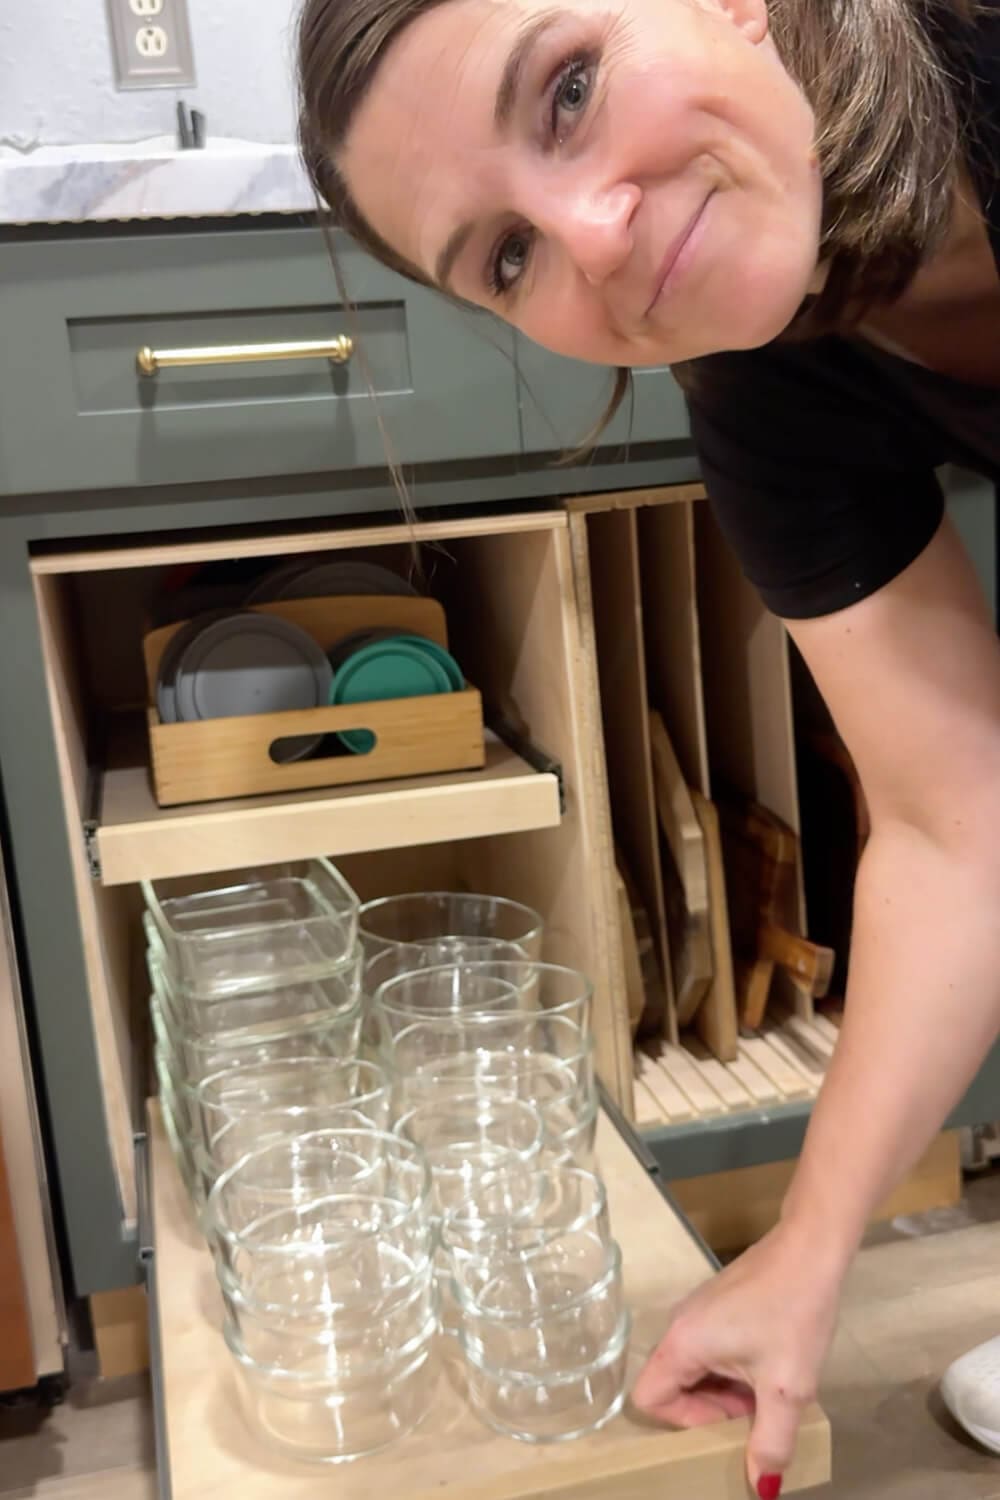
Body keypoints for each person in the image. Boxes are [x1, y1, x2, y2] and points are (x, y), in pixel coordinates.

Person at [295, 0, 1000, 1492]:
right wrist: (808, 1251)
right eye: (504, 255)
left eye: (567, 89)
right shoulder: (772, 381)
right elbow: (959, 825)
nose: (593, 237)